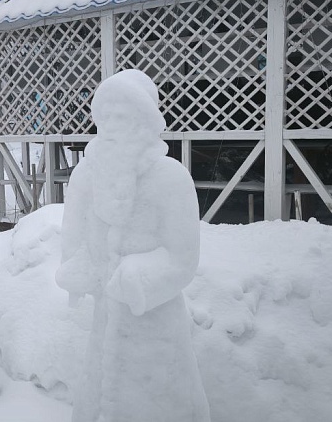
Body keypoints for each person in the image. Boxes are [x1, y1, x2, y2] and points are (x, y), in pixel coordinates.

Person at [56, 69, 210, 422]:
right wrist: (79, 269)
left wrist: (138, 276)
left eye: (121, 117)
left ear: (143, 120)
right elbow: (73, 239)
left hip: (156, 326)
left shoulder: (169, 177)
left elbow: (184, 258)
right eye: (104, 117)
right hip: (105, 321)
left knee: (156, 403)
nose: (109, 126)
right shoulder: (87, 175)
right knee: (100, 396)